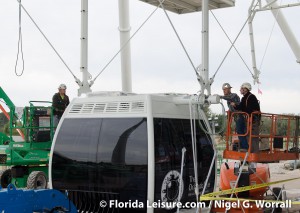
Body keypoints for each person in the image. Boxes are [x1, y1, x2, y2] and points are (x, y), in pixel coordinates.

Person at [230, 82, 261, 153]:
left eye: (241, 88)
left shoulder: (251, 97)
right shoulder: (244, 98)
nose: (240, 90)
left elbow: (249, 109)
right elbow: (241, 107)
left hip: (253, 120)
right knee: (243, 133)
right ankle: (246, 148)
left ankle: (253, 152)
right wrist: (235, 105)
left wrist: (240, 109)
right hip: (249, 119)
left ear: (245, 89)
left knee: (253, 136)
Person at [220, 83, 245, 151]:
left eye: (225, 90)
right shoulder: (229, 99)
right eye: (223, 90)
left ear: (229, 89)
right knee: (240, 132)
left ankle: (245, 147)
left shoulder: (234, 95)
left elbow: (230, 97)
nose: (224, 91)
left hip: (240, 116)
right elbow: (231, 107)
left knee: (241, 132)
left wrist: (220, 97)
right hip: (237, 117)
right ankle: (243, 147)